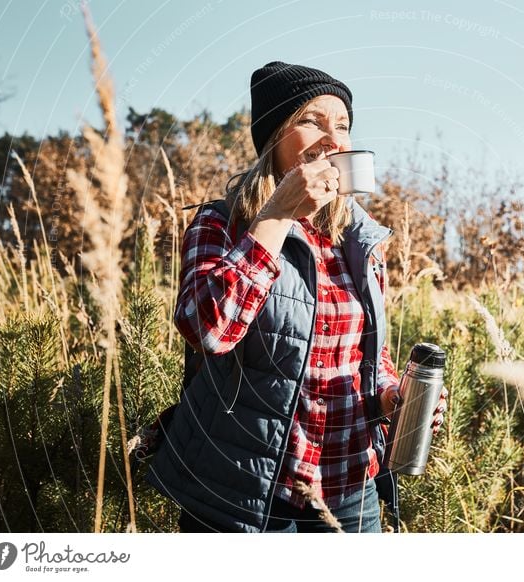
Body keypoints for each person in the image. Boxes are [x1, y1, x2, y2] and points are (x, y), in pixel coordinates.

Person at [147, 61, 447, 533]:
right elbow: (209, 330)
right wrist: (278, 214)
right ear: (273, 138)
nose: (334, 138)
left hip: (350, 491)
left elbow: (367, 356)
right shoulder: (221, 226)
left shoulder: (359, 240)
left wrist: (392, 396)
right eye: (313, 121)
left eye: (343, 126)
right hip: (244, 492)